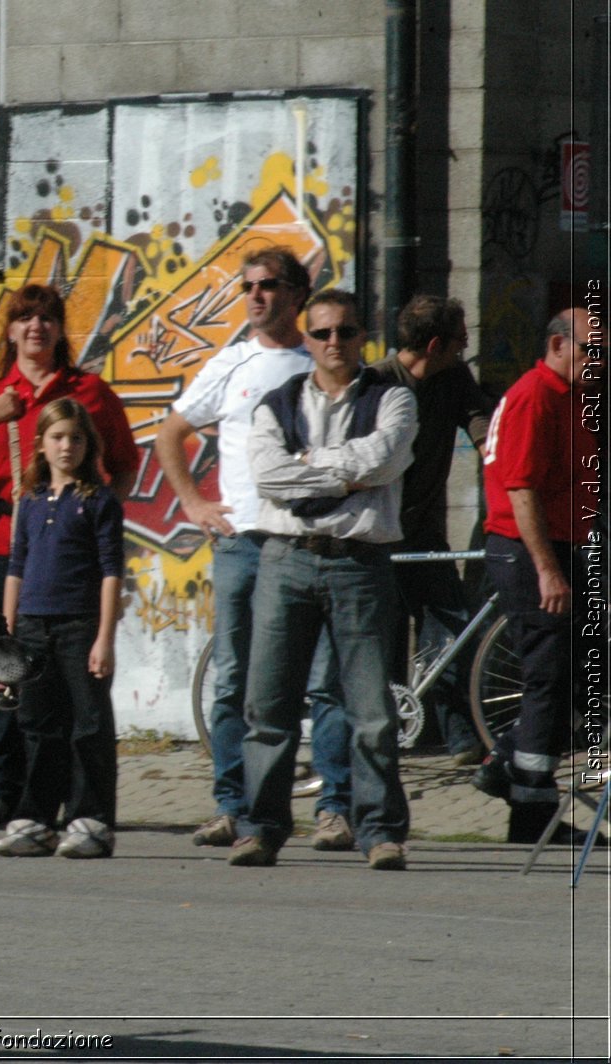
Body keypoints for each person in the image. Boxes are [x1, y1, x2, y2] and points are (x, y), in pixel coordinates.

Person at [156, 247, 355, 852]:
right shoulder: (232, 363)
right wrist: (194, 503)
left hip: (310, 540)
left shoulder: (321, 356)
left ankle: (334, 808)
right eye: (248, 287)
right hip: (243, 543)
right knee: (235, 679)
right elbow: (172, 433)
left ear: (297, 294)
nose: (256, 296)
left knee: (326, 680)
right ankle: (233, 805)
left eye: (269, 286)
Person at [0, 283, 138, 828]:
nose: (37, 328)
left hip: (65, 559)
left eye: (47, 319)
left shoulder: (88, 393)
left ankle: (73, 799)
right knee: (4, 675)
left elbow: (123, 464)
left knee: (69, 685)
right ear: (9, 332)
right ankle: (5, 791)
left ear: (59, 332)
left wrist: (90, 516)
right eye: (25, 319)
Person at [231, 289, 415, 870]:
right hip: (285, 559)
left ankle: (381, 831)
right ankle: (261, 828)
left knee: (371, 710)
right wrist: (343, 476)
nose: (335, 342)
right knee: (269, 705)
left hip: (359, 563)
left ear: (365, 337)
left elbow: (384, 460)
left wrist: (309, 465)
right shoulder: (274, 403)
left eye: (347, 331)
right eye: (324, 332)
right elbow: (266, 477)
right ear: (307, 338)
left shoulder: (393, 400)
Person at [471, 307, 601, 843]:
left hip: (565, 544)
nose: (600, 362)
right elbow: (520, 489)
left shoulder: (572, 397)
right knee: (547, 672)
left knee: (575, 670)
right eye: (592, 350)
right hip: (527, 550)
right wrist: (547, 570)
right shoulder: (533, 396)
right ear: (557, 344)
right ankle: (529, 810)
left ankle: (505, 764)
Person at [0, 398, 124, 859]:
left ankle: (91, 819)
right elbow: (17, 565)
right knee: (36, 725)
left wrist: (104, 637)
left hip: (80, 627)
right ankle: (37, 818)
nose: (66, 446)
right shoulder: (29, 503)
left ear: (88, 445)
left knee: (87, 724)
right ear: (41, 445)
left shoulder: (99, 501)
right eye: (57, 437)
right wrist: (8, 626)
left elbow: (111, 571)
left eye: (76, 437)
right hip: (32, 627)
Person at [379, 295, 493, 765]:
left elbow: (480, 422)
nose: (465, 350)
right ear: (434, 344)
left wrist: (502, 459)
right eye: (461, 342)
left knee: (449, 629)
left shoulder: (452, 378)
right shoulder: (377, 382)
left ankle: (461, 738)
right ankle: (380, 737)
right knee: (380, 639)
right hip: (375, 537)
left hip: (424, 531)